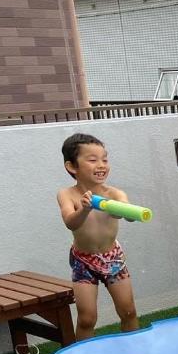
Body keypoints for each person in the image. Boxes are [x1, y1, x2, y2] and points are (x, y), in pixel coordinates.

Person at [57, 133, 140, 341]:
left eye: (105, 159)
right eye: (93, 160)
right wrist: (84, 209)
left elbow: (127, 212)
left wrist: (124, 211)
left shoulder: (114, 194)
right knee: (87, 318)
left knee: (128, 311)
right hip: (83, 261)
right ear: (72, 166)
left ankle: (135, 350)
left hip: (113, 258)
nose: (101, 165)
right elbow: (70, 222)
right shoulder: (67, 194)